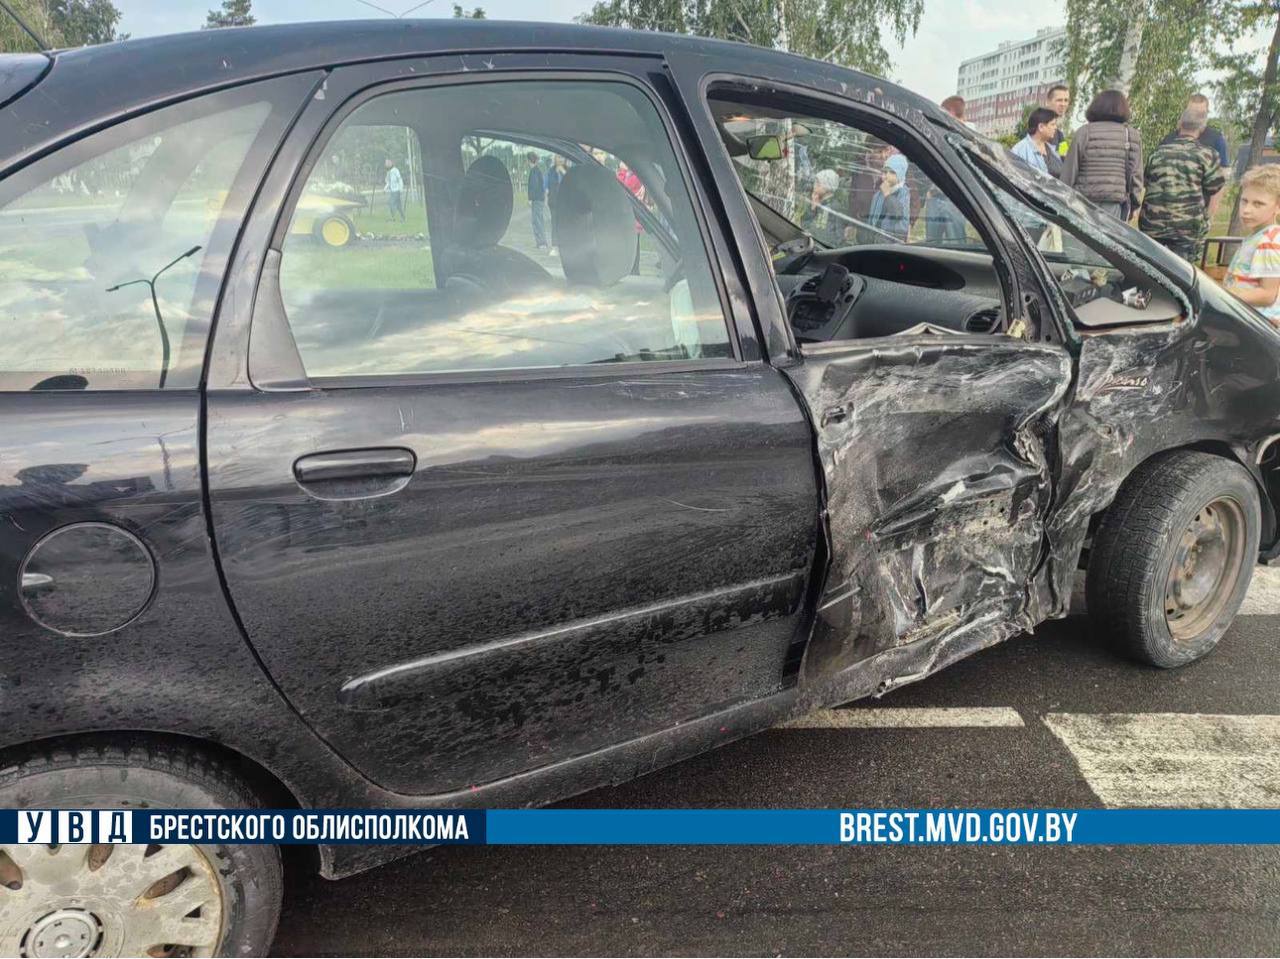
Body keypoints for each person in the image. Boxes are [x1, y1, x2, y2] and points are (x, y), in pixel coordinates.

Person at [1138, 106, 1225, 264]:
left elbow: (1146, 183)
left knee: (1149, 270)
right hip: (1187, 229)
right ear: (1202, 128)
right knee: (1181, 272)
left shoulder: (1157, 153)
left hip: (1152, 225)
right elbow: (1216, 189)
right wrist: (1207, 218)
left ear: (1179, 124)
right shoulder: (1207, 155)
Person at [1063, 89, 1143, 220]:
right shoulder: (1131, 135)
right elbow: (1136, 175)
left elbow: (1070, 170)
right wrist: (1135, 205)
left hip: (1082, 201)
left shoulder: (1084, 132)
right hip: (1114, 204)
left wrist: (1062, 198)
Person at [1222, 165, 1280, 326]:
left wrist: (1221, 296)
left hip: (1257, 324)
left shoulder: (1269, 241)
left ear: (1278, 207)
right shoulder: (1257, 237)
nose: (1246, 210)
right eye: (1244, 201)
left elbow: (1268, 295)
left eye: (1258, 204)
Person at [1158, 93, 1230, 216]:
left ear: (1207, 114)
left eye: (1201, 114)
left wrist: (1209, 215)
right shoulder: (1169, 140)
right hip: (1166, 212)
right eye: (1192, 113)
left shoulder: (1216, 140)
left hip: (1198, 213)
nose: (1196, 117)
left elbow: (1220, 181)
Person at [867, 153, 911, 241]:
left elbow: (897, 214)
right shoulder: (878, 194)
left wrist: (887, 195)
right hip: (877, 240)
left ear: (900, 175)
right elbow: (872, 219)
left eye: (892, 172)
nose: (886, 176)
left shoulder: (903, 192)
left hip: (893, 241)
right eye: (884, 172)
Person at [1011, 108, 1062, 178]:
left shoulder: (1058, 139)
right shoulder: (1019, 151)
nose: (1055, 127)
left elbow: (1064, 158)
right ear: (1041, 127)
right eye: (1052, 124)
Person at [798, 168, 842, 247]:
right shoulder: (817, 202)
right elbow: (803, 225)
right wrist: (812, 208)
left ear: (827, 186)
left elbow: (826, 235)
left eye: (818, 183)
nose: (814, 185)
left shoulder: (833, 207)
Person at [546, 155, 567, 258]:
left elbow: (571, 181)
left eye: (562, 157)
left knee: (565, 224)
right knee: (554, 224)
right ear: (555, 159)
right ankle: (555, 247)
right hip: (554, 202)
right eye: (558, 157)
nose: (560, 159)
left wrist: (563, 172)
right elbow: (547, 185)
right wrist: (546, 196)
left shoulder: (568, 170)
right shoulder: (551, 171)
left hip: (565, 202)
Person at [526, 151, 547, 251]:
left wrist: (530, 199)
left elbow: (534, 186)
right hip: (539, 199)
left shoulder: (534, 171)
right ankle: (540, 242)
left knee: (537, 221)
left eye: (527, 160)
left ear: (529, 160)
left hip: (537, 200)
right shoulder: (537, 170)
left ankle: (542, 243)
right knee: (538, 220)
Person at [1044, 83, 1071, 158]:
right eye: (1059, 100)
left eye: (1066, 100)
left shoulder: (1059, 134)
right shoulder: (1040, 127)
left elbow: (1064, 158)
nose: (1063, 104)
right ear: (1048, 102)